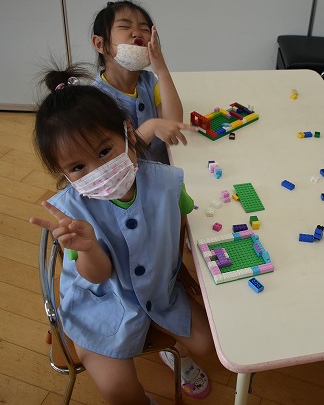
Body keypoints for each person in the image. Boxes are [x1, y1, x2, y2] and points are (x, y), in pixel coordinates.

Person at [29, 67, 213, 404]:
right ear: (64, 174)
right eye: (77, 167)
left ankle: (173, 353)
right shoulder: (73, 214)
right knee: (119, 390)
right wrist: (87, 249)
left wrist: (179, 269)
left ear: (128, 131)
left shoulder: (166, 182)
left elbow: (180, 224)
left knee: (206, 344)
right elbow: (97, 276)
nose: (98, 171)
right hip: (101, 303)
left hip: (159, 288)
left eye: (104, 151)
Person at [91, 0, 196, 164]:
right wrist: (151, 127)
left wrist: (161, 70)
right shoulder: (95, 100)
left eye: (145, 29)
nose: (137, 33)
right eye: (125, 26)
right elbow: (117, 160)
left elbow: (174, 122)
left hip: (162, 168)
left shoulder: (149, 81)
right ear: (100, 44)